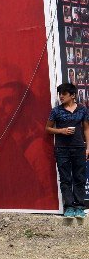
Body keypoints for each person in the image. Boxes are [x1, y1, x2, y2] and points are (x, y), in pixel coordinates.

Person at [46, 82, 89, 218]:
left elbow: (86, 129)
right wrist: (62, 131)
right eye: (59, 94)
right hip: (62, 149)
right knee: (65, 178)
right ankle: (69, 207)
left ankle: (79, 206)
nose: (61, 97)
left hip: (79, 148)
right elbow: (48, 128)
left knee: (79, 177)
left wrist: (88, 147)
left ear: (72, 95)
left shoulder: (82, 109)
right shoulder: (56, 111)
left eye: (63, 94)